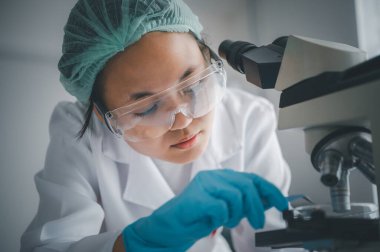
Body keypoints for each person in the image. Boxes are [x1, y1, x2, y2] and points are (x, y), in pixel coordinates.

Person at [21, 0, 291, 251]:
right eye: (146, 108)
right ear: (102, 115)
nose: (184, 121)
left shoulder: (247, 117)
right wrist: (137, 243)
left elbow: (276, 241)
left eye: (195, 85)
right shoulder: (80, 134)